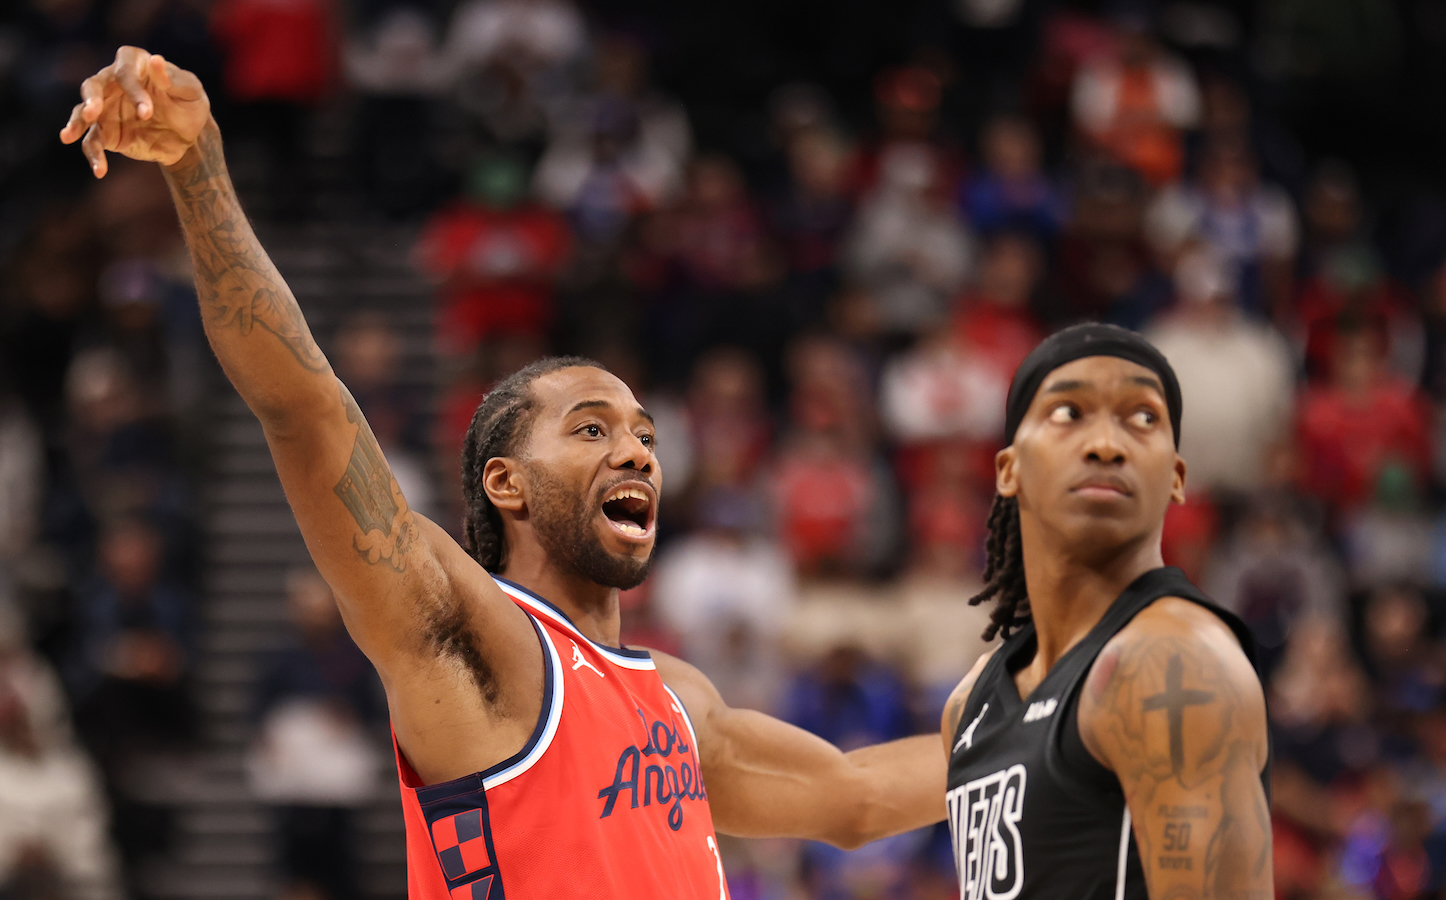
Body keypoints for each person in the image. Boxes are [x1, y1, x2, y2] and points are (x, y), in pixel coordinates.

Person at [62, 47, 945, 900]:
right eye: (591, 428)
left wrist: (1045, 714)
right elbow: (305, 407)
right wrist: (199, 165)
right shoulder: (472, 637)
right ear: (505, 484)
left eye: (644, 433)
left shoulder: (677, 700)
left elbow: (856, 797)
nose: (636, 450)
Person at [938, 323, 1272, 897]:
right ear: (1008, 468)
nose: (1106, 445)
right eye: (1069, 412)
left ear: (1176, 477)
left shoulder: (1172, 663)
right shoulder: (971, 704)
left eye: (1143, 418)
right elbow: (850, 797)